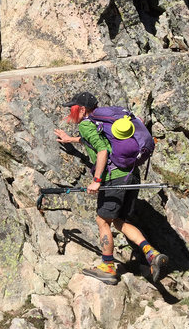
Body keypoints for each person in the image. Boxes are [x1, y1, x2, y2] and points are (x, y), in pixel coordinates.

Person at [53, 91, 168, 285]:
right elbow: (98, 141)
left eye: (72, 108)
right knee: (119, 221)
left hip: (114, 178)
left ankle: (107, 267)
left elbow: (103, 150)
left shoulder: (86, 124)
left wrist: (97, 179)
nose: (70, 112)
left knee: (102, 220)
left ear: (82, 109)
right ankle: (152, 254)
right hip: (131, 174)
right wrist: (70, 140)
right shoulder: (103, 122)